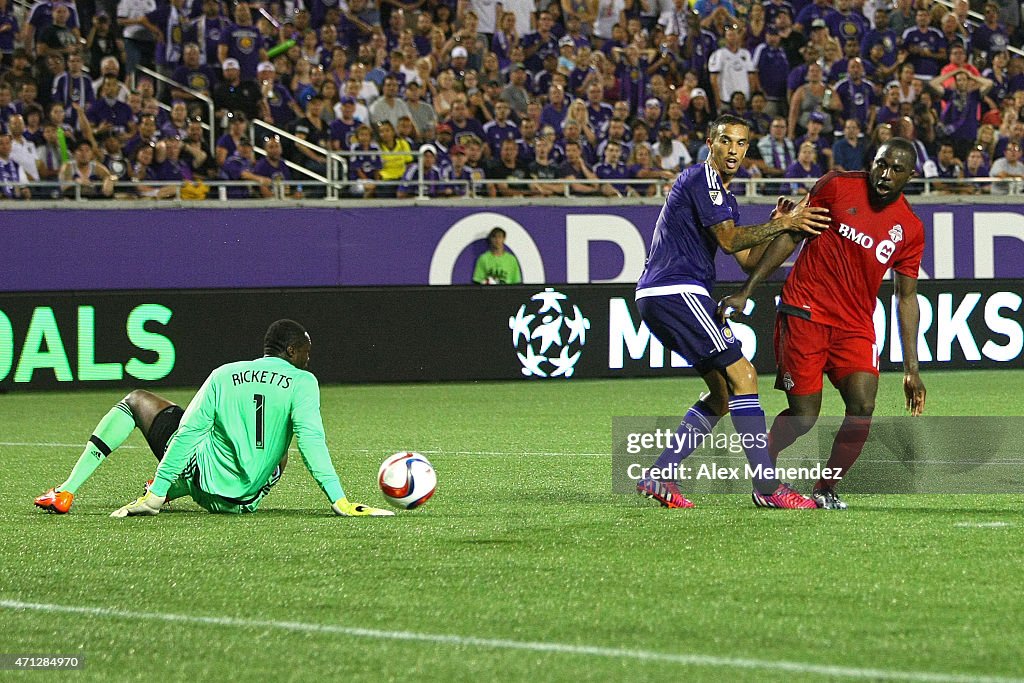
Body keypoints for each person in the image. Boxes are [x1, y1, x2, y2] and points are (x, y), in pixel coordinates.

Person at [718, 138, 926, 510]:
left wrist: (912, 369)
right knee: (803, 417)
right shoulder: (836, 186)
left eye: (896, 169)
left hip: (855, 326)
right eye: (881, 164)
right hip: (805, 312)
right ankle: (764, 476)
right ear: (872, 162)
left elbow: (906, 297)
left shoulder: (909, 228)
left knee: (863, 407)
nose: (885, 174)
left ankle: (826, 487)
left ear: (911, 175)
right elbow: (792, 236)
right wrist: (747, 291)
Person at [634, 114, 829, 510]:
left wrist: (777, 226)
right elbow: (727, 241)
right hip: (676, 290)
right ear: (710, 143)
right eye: (726, 141)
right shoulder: (701, 179)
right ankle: (768, 487)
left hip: (663, 295)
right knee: (746, 375)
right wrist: (787, 223)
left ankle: (660, 474)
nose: (734, 150)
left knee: (722, 395)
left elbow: (745, 258)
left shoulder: (725, 197)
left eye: (741, 143)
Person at [34, 320, 393, 518]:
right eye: (307, 354)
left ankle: (66, 491)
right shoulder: (303, 383)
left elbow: (186, 434)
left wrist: (154, 497)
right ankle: (172, 486)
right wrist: (339, 500)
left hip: (205, 482)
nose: (309, 360)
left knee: (137, 400)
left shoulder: (224, 375)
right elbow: (311, 443)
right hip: (248, 498)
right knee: (279, 438)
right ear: (291, 352)